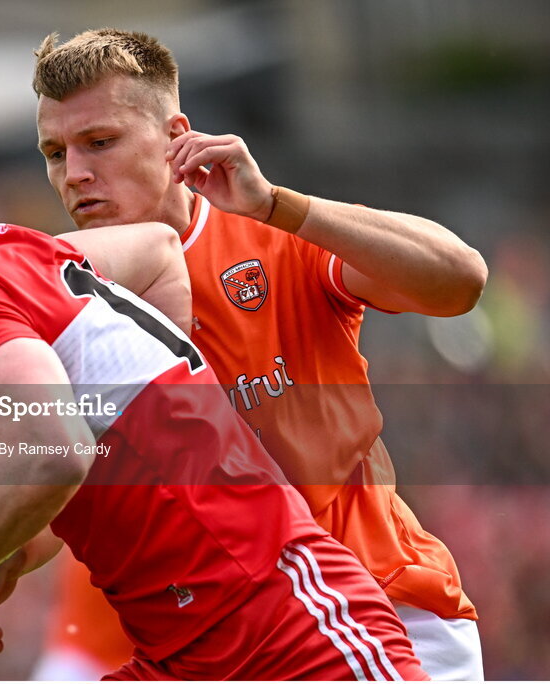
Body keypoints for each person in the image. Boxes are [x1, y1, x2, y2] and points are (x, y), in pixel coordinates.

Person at [0, 175, 429, 680]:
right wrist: (12, 539)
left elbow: (49, 448)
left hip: (281, 628)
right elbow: (159, 252)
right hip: (186, 646)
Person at [27, 28, 488, 681]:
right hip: (227, 649)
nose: (74, 173)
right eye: (54, 151)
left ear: (174, 136)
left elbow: (461, 280)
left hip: (383, 616)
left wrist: (280, 206)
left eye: (100, 142)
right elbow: (66, 480)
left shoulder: (270, 235)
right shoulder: (70, 308)